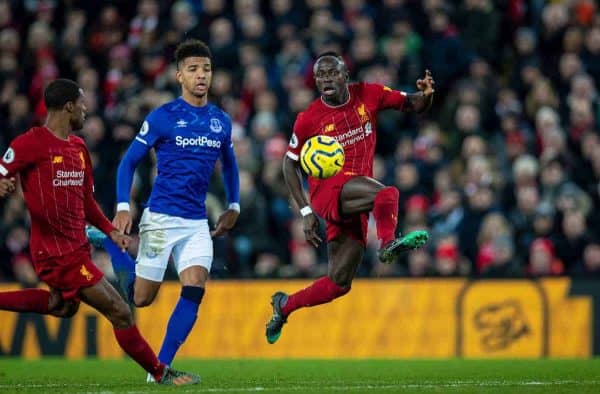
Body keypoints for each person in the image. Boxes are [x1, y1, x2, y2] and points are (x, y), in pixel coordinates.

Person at [0, 79, 198, 385]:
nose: (85, 109)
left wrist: (110, 231)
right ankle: (161, 373)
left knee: (61, 306)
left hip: (77, 246)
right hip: (55, 252)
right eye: (81, 103)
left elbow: (86, 201)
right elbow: (2, 173)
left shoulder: (79, 148)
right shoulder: (29, 143)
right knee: (120, 311)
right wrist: (3, 182)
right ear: (67, 107)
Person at [266, 52, 434, 344]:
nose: (326, 79)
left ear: (345, 75)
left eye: (332, 73)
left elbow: (412, 104)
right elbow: (288, 163)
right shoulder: (308, 119)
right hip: (327, 192)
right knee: (387, 194)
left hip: (355, 196)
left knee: (338, 284)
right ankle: (387, 244)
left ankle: (284, 305)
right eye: (320, 75)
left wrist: (427, 95)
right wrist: (305, 212)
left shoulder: (369, 94)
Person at [112, 39, 240, 379]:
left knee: (196, 284)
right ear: (179, 75)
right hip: (160, 220)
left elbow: (229, 165)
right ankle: (112, 244)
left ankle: (160, 369)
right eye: (194, 69)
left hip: (197, 223)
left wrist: (234, 203)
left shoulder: (220, 121)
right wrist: (124, 206)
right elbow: (128, 164)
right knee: (141, 299)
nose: (201, 76)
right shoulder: (162, 117)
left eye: (207, 69)